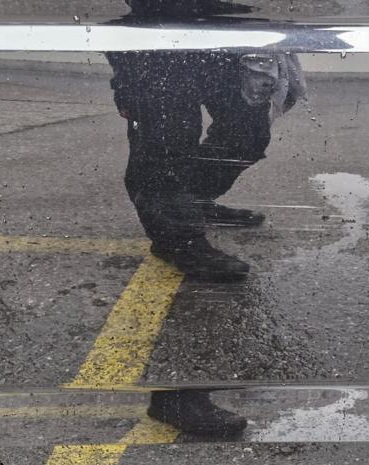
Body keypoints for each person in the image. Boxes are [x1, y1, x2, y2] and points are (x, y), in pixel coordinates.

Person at [107, 0, 307, 436]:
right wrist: (126, 83)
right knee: (164, 142)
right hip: (157, 30)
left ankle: (190, 201)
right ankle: (177, 238)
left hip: (228, 32)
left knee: (246, 133)